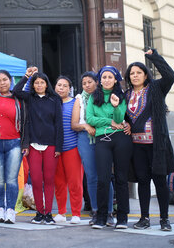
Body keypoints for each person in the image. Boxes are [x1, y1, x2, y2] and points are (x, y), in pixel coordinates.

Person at [124, 48, 174, 232]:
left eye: (139, 72)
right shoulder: (126, 95)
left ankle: (164, 220)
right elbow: (124, 118)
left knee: (160, 182)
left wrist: (153, 56)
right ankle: (144, 218)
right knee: (143, 182)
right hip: (137, 147)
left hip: (156, 146)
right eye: (132, 73)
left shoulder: (156, 89)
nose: (135, 75)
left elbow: (170, 75)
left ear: (146, 75)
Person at [12, 67, 63, 225]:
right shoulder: (29, 98)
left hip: (51, 145)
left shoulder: (55, 100)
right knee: (35, 179)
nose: (39, 85)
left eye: (42, 83)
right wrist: (27, 75)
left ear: (47, 84)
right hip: (33, 144)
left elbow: (59, 125)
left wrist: (59, 147)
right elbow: (16, 91)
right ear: (33, 85)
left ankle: (48, 213)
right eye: (36, 83)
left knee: (48, 179)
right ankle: (39, 212)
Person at [86, 65, 132, 230]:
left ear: (115, 79)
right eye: (103, 77)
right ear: (100, 80)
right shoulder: (93, 97)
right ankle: (101, 216)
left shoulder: (121, 96)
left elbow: (120, 119)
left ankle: (122, 218)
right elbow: (90, 118)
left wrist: (115, 106)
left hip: (121, 139)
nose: (106, 80)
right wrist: (109, 122)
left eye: (110, 77)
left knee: (120, 179)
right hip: (102, 140)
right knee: (103, 179)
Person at [0, 69, 29, 224]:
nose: (2, 83)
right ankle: (0, 210)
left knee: (11, 179)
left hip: (14, 143)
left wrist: (25, 143)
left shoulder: (19, 99)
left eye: (5, 79)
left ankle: (10, 210)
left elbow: (26, 123)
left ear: (10, 81)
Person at [71, 71, 115, 226]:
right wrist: (85, 126)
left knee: (105, 176)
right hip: (85, 139)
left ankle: (109, 212)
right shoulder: (79, 99)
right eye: (84, 83)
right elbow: (74, 124)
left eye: (90, 82)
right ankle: (96, 211)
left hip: (104, 136)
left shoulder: (105, 96)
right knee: (91, 176)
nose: (87, 85)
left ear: (97, 82)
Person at [53, 76, 83, 224]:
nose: (61, 88)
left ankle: (76, 213)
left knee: (75, 182)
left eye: (65, 86)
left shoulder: (75, 102)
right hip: (56, 148)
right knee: (59, 182)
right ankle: (61, 212)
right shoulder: (51, 102)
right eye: (59, 85)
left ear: (69, 89)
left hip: (72, 147)